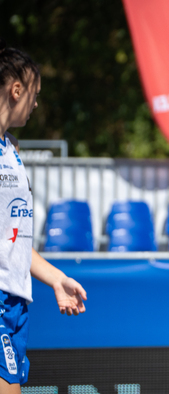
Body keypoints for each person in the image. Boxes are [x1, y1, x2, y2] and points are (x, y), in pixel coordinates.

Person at [0, 39, 87, 393]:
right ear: (16, 89)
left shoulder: (12, 148)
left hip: (16, 300)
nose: (36, 103)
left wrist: (55, 278)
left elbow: (13, 237)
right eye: (34, 93)